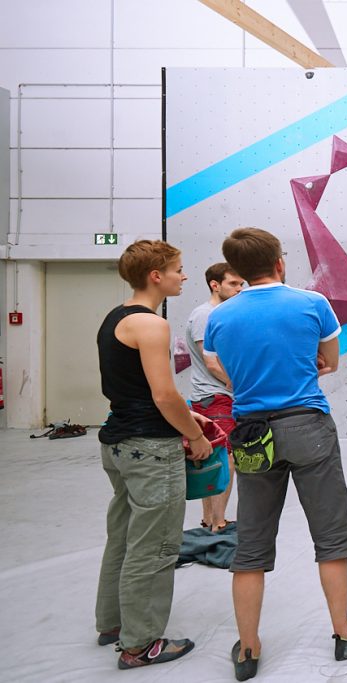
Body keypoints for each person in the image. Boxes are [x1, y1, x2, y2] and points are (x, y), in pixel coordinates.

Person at [204, 228, 347, 680]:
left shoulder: (220, 317)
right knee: (331, 534)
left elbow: (223, 369)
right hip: (307, 427)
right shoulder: (312, 303)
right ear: (279, 262)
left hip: (253, 434)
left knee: (252, 544)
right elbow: (330, 361)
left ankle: (249, 649)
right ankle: (343, 630)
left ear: (235, 270)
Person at [95, 240, 213, 669]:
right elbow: (163, 396)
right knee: (156, 546)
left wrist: (191, 420)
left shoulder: (115, 318)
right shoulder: (152, 325)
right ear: (155, 276)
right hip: (150, 451)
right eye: (178, 269)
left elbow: (142, 392)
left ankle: (112, 623)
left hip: (120, 443)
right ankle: (140, 644)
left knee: (124, 537)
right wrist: (195, 437)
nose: (184, 275)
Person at [185, 262, 245, 532]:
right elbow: (211, 363)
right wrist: (237, 386)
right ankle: (218, 522)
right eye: (233, 284)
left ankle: (210, 520)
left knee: (216, 457)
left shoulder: (219, 313)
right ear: (215, 284)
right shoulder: (205, 315)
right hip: (215, 397)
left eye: (241, 284)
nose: (239, 289)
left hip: (216, 396)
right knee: (226, 459)